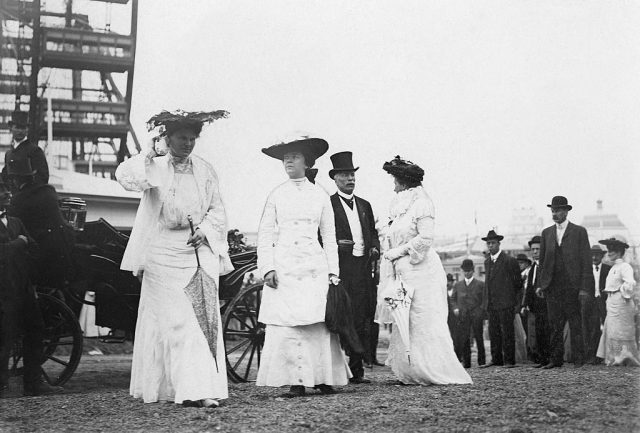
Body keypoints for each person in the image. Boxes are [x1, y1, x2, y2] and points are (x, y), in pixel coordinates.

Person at [116, 109, 231, 408]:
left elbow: (217, 210)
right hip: (162, 249)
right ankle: (167, 387)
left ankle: (199, 389)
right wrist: (149, 151)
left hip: (196, 249)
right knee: (170, 321)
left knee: (197, 319)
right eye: (182, 138)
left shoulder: (206, 171)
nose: (189, 144)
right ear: (168, 138)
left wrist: (206, 230)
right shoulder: (154, 167)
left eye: (193, 138)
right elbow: (125, 177)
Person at [256, 135, 351, 397]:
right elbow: (265, 234)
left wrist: (333, 272)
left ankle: (321, 378)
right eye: (285, 157)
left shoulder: (320, 195)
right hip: (284, 265)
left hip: (313, 265)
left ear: (307, 162)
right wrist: (267, 268)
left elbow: (329, 237)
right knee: (289, 324)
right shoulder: (276, 194)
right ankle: (295, 381)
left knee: (316, 322)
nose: (288, 160)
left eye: (294, 156)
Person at [381, 155, 471, 385]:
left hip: (421, 272)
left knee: (423, 318)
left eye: (395, 180)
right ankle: (411, 369)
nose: (393, 185)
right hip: (404, 272)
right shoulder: (401, 205)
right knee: (406, 317)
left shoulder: (423, 203)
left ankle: (430, 368)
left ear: (403, 181)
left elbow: (426, 238)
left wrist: (399, 252)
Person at [0, 179, 63, 397]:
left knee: (35, 332)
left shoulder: (16, 222)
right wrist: (19, 243)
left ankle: (33, 383)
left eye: (8, 190)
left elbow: (35, 250)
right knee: (4, 337)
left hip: (24, 288)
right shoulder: (17, 229)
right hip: (3, 290)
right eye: (2, 192)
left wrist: (16, 246)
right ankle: (2, 387)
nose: (8, 194)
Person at [328, 151, 380, 383]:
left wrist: (374, 247)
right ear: (335, 178)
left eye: (352, 175)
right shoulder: (328, 205)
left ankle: (357, 370)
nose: (350, 179)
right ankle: (338, 370)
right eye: (345, 175)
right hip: (340, 269)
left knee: (361, 317)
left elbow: (373, 234)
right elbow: (322, 236)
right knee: (341, 316)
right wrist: (339, 245)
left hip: (362, 268)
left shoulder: (365, 205)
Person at [538, 196, 594, 369]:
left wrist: (584, 288)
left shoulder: (579, 231)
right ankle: (556, 360)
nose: (555, 214)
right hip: (552, 286)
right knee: (554, 324)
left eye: (559, 210)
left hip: (572, 286)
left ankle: (578, 359)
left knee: (575, 323)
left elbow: (586, 261)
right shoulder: (546, 233)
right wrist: (541, 284)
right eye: (553, 211)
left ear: (567, 211)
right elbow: (542, 262)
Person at [6, 157, 75, 290]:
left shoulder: (17, 200)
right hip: (64, 254)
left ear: (15, 179)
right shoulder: (49, 191)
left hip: (43, 261)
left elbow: (14, 228)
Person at [481, 230, 523, 368]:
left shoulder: (509, 261)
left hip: (506, 303)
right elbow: (488, 283)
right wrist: (486, 302)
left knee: (507, 332)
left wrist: (514, 302)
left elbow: (518, 284)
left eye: (493, 243)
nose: (490, 246)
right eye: (488, 243)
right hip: (492, 304)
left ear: (499, 244)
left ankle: (509, 360)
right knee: (494, 332)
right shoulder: (487, 262)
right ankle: (496, 359)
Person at [596, 235, 639, 366]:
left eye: (612, 250)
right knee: (612, 329)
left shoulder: (625, 266)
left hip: (621, 302)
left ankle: (624, 358)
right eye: (608, 249)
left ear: (620, 251)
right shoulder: (613, 267)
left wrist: (621, 293)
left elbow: (630, 283)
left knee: (621, 330)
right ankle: (613, 357)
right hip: (612, 302)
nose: (609, 252)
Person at [522, 235, 551, 367]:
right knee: (538, 332)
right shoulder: (533, 267)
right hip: (535, 306)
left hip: (546, 304)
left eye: (537, 249)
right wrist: (525, 304)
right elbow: (529, 287)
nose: (534, 252)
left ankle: (550, 358)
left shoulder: (547, 266)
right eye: (532, 249)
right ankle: (542, 359)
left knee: (547, 331)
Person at [1, 111, 49, 187]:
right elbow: (5, 176)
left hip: (29, 196)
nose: (20, 131)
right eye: (17, 127)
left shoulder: (35, 151)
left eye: (23, 128)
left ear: (27, 129)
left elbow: (43, 178)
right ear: (11, 128)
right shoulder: (9, 154)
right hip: (14, 196)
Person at [452, 259, 486, 368]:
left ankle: (482, 361)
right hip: (463, 316)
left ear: (473, 271)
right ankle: (467, 362)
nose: (467, 273)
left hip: (476, 315)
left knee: (479, 337)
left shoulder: (480, 284)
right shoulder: (458, 285)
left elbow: (484, 300)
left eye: (469, 271)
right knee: (465, 338)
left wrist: (480, 311)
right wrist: (456, 308)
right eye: (465, 271)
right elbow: (453, 299)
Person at [590, 244, 611, 364]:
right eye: (592, 255)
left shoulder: (608, 269)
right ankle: (594, 355)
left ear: (601, 256)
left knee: (606, 325)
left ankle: (606, 354)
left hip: (604, 301)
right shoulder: (586, 269)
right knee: (593, 327)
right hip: (591, 302)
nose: (594, 257)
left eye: (597, 255)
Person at [446, 273, 462, 360]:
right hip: (448, 317)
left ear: (452, 282)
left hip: (456, 317)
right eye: (447, 282)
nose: (448, 284)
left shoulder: (456, 289)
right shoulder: (443, 292)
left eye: (449, 282)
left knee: (457, 337)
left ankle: (459, 356)